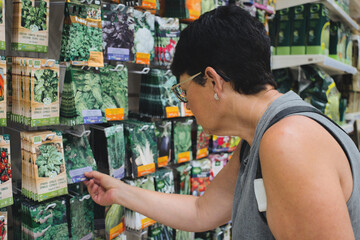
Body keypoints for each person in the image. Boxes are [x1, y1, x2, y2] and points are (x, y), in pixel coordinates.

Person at [85, 5, 360, 239]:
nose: (186, 103)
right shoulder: (258, 139)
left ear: (214, 81)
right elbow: (201, 211)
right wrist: (119, 192)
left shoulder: (288, 142)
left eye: (184, 90)